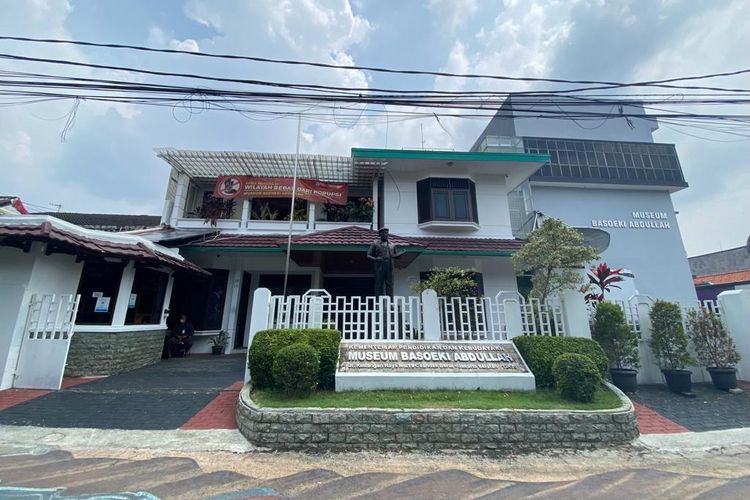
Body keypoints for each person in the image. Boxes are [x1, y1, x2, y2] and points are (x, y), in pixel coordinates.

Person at [367, 228, 404, 297]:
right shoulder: (375, 243)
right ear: (380, 234)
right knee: (378, 285)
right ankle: (378, 304)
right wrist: (376, 258)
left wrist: (400, 255)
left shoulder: (392, 245)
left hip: (389, 267)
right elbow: (368, 255)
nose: (386, 234)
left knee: (390, 285)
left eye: (387, 233)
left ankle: (391, 303)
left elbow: (395, 256)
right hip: (379, 267)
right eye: (384, 233)